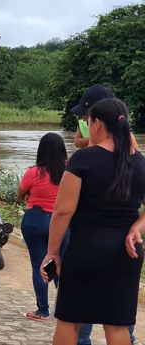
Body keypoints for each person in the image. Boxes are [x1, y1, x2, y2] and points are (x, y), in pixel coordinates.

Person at [41, 98, 144, 345]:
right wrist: (135, 228)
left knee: (71, 320)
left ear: (97, 123)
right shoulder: (140, 162)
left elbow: (63, 211)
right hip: (126, 254)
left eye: (88, 123)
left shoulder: (83, 159)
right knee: (117, 325)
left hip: (86, 250)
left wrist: (53, 252)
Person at [68, 85, 138, 344]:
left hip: (100, 231)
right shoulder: (85, 151)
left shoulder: (124, 140)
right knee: (112, 314)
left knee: (85, 311)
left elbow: (132, 163)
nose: (85, 121)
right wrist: (93, 143)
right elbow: (77, 141)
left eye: (88, 118)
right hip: (108, 230)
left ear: (98, 118)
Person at [17, 133, 70, 322]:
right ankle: (68, 308)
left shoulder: (33, 172)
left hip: (36, 220)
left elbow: (19, 193)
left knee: (38, 264)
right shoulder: (69, 172)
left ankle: (43, 311)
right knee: (58, 264)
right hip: (61, 222)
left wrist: (30, 195)